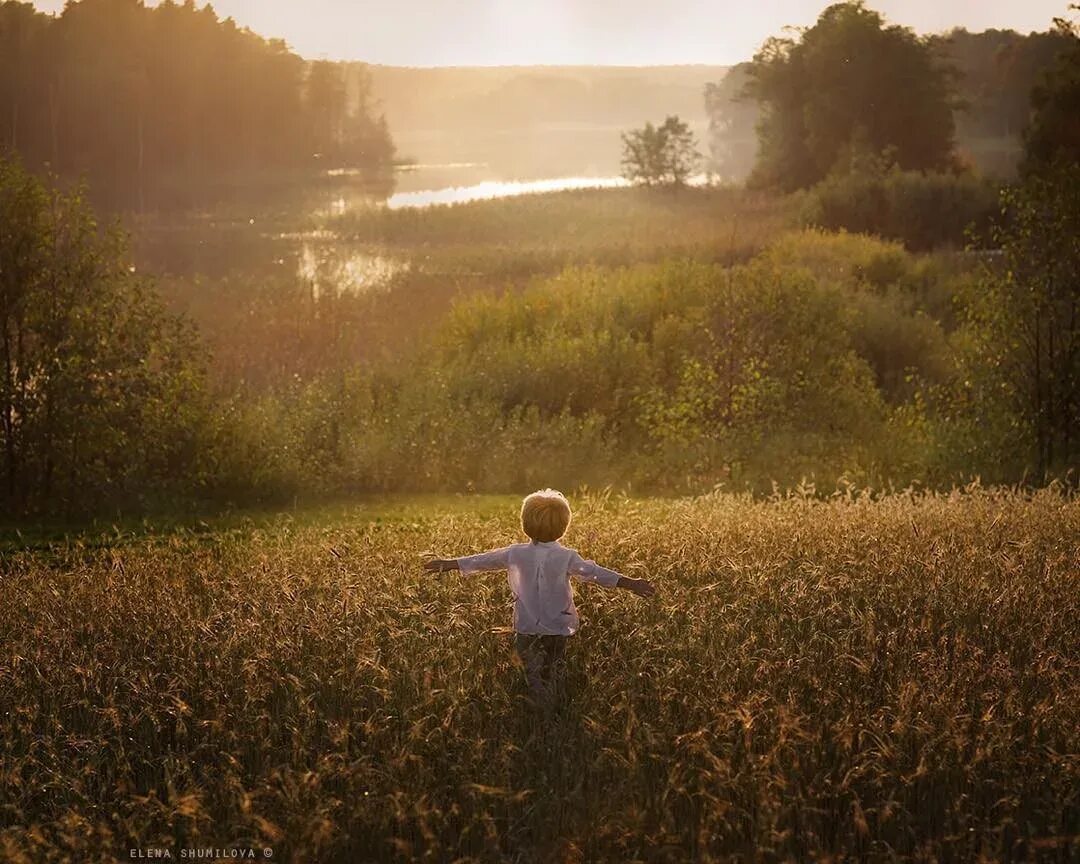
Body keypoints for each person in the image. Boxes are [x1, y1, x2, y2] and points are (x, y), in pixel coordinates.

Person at [423, 488, 656, 706]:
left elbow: (483, 560)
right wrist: (630, 583)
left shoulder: (515, 553)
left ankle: (535, 705)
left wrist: (450, 563)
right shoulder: (566, 556)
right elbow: (595, 574)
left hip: (526, 627)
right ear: (563, 526)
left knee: (529, 673)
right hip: (557, 626)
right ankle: (552, 706)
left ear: (525, 524)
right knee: (552, 670)